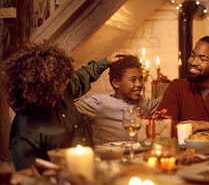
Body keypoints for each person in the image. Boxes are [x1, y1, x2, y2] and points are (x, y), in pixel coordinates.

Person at [4, 41, 124, 171]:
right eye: (63, 80)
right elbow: (29, 178)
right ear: (44, 86)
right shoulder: (23, 133)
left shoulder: (61, 90)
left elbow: (81, 77)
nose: (68, 81)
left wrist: (106, 61)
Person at [75, 55, 160, 145]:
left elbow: (169, 99)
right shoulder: (99, 104)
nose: (139, 84)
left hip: (138, 156)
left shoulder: (144, 103)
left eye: (140, 79)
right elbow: (65, 106)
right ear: (116, 83)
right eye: (133, 80)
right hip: (109, 157)